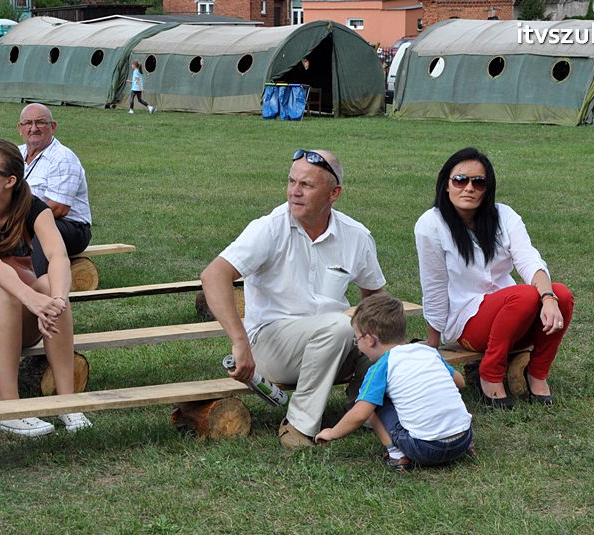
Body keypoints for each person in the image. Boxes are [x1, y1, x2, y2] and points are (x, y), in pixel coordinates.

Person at [201, 149, 387, 449]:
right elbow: (214, 275)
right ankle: (299, 424)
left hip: (332, 342)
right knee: (341, 327)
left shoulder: (356, 235)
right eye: (291, 182)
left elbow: (375, 297)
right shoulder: (269, 228)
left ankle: (363, 410)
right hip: (271, 345)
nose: (294, 192)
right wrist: (240, 342)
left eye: (306, 185)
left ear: (334, 193)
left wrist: (386, 338)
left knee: (381, 338)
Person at [0, 138, 91, 436]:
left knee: (51, 285)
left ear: (10, 181)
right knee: (6, 289)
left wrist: (57, 300)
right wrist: (32, 299)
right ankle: (9, 410)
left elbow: (58, 256)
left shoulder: (33, 207)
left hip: (17, 315)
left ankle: (68, 403)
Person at [415, 147, 574, 409]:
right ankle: (490, 374)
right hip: (467, 321)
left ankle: (537, 373)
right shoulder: (431, 224)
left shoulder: (505, 216)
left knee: (562, 295)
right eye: (460, 180)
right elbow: (434, 285)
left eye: (478, 182)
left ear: (488, 189)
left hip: (513, 314)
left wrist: (548, 298)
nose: (469, 188)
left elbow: (529, 259)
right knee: (524, 295)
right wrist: (433, 340)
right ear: (446, 184)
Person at [315, 294, 474, 472]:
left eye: (356, 339)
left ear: (370, 340)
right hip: (463, 440)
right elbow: (460, 383)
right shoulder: (428, 352)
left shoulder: (381, 366)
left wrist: (332, 433)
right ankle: (465, 443)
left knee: (372, 402)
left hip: (424, 449)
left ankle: (397, 455)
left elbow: (360, 414)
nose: (357, 345)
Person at [17, 104, 91, 275]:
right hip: (26, 220)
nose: (33, 128)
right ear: (20, 128)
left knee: (42, 229)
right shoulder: (16, 154)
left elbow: (59, 208)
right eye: (28, 123)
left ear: (53, 126)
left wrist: (16, 219)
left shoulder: (63, 158)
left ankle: (38, 284)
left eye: (40, 122)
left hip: (71, 227)